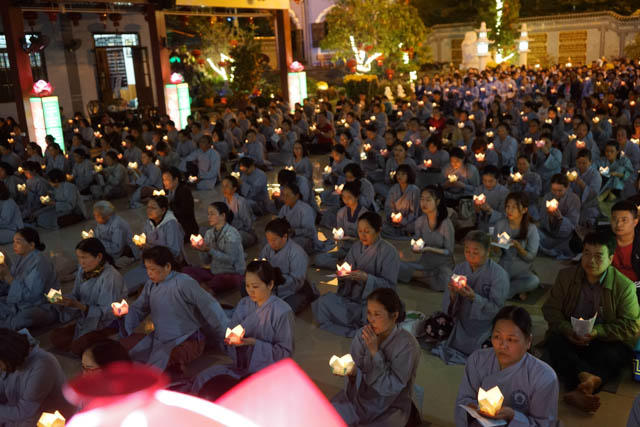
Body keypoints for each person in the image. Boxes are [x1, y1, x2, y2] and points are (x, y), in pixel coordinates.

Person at [542, 232, 640, 413]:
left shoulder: (624, 286)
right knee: (556, 344)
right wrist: (566, 329)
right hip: (570, 337)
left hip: (604, 341)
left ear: (610, 259)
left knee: (616, 355)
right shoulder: (566, 277)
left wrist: (598, 332)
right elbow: (550, 309)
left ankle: (579, 384)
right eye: (587, 253)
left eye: (598, 256)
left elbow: (632, 325)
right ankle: (590, 379)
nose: (591, 260)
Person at [190, 260, 294, 399]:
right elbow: (230, 334)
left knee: (235, 395)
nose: (250, 291)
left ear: (270, 284)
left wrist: (253, 343)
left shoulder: (282, 312)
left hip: (266, 373)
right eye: (247, 285)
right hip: (241, 367)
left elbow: (285, 353)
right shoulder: (244, 304)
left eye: (255, 286)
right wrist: (230, 341)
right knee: (202, 379)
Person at [117, 246, 227, 372]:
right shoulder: (151, 285)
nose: (149, 273)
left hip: (187, 338)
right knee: (129, 354)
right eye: (147, 269)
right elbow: (139, 308)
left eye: (153, 269)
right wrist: (124, 314)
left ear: (167, 266)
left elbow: (209, 307)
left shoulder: (184, 283)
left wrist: (222, 333)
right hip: (161, 339)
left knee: (169, 364)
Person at [455, 306, 559, 426]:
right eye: (497, 337)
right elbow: (463, 401)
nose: (502, 345)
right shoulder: (478, 360)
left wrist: (513, 416)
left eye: (511, 339)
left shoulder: (543, 376)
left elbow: (544, 423)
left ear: (528, 341)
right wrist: (472, 408)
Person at [331, 288, 420, 427]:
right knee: (329, 415)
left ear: (394, 315)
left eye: (377, 314)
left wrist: (374, 351)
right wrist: (351, 372)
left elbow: (392, 386)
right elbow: (356, 367)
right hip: (359, 396)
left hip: (390, 402)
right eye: (369, 313)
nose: (370, 319)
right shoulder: (363, 333)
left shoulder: (407, 345)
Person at [313, 212, 400, 337]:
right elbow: (346, 269)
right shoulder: (355, 247)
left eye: (367, 231)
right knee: (323, 302)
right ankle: (357, 326)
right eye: (359, 231)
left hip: (372, 305)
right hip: (351, 297)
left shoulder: (389, 252)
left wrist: (367, 279)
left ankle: (359, 326)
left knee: (373, 316)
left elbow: (390, 287)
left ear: (378, 230)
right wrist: (343, 276)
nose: (362, 235)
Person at [432, 230, 509, 365]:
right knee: (432, 324)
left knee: (494, 348)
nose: (470, 256)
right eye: (467, 251)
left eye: (476, 252)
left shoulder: (499, 275)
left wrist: (474, 298)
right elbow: (448, 308)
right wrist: (452, 294)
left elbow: (496, 309)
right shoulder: (460, 269)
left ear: (487, 251)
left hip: (484, 327)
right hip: (460, 322)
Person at [51, 238, 125, 356]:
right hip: (86, 320)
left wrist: (80, 306)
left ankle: (106, 337)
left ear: (99, 257)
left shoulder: (111, 277)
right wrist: (62, 299)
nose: (81, 262)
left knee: (78, 348)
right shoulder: (82, 271)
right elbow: (75, 294)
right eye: (79, 258)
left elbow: (108, 311)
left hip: (106, 323)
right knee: (56, 337)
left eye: (84, 257)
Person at [0, 328, 74, 426]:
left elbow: (25, 412)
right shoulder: (11, 363)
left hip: (46, 419)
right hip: (20, 413)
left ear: (9, 356)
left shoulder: (43, 364)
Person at [123, 196, 186, 294]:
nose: (149, 210)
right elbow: (145, 241)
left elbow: (174, 251)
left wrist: (151, 249)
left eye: (153, 208)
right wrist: (141, 246)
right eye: (148, 207)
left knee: (130, 286)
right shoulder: (148, 223)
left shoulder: (171, 225)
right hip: (149, 262)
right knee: (124, 280)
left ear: (163, 210)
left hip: (165, 264)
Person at [0, 228, 58, 331]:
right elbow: (11, 288)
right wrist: (3, 276)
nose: (14, 245)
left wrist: (8, 277)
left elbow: (33, 296)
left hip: (44, 305)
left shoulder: (40, 262)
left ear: (31, 245)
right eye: (14, 242)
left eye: (18, 242)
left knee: (25, 316)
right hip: (23, 303)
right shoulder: (21, 259)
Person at [398, 185, 455, 291]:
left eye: (428, 200)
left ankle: (418, 276)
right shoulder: (420, 221)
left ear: (437, 202)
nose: (424, 203)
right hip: (425, 263)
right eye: (422, 199)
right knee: (395, 265)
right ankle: (424, 276)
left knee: (445, 281)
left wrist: (429, 249)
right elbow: (417, 241)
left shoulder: (445, 223)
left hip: (442, 266)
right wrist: (415, 247)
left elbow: (449, 251)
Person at [183, 202, 245, 294]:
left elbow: (231, 260)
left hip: (231, 273)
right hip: (214, 272)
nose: (209, 217)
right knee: (185, 270)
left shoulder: (232, 234)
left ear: (223, 216)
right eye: (208, 214)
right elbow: (206, 261)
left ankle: (204, 287)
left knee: (221, 280)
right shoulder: (209, 233)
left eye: (212, 214)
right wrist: (200, 250)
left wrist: (209, 250)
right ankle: (205, 287)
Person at [259, 218, 315, 313]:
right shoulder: (268, 248)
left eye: (274, 240)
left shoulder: (297, 253)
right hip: (271, 284)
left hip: (294, 290)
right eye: (268, 239)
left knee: (281, 311)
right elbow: (261, 264)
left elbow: (297, 281)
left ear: (285, 236)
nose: (270, 243)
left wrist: (276, 283)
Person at [492, 192, 540, 300]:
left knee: (533, 281)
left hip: (522, 269)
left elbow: (530, 257)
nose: (509, 210)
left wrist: (518, 247)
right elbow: (497, 253)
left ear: (524, 210)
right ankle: (515, 291)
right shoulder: (500, 225)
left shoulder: (531, 229)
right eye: (508, 206)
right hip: (504, 266)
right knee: (488, 279)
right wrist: (496, 245)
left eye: (514, 207)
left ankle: (507, 292)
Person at [316, 181, 369, 270]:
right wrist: (338, 237)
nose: (346, 200)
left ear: (357, 197)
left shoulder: (365, 214)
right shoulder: (341, 213)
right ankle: (343, 264)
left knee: (362, 263)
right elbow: (341, 233)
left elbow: (367, 240)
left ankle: (347, 264)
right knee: (318, 259)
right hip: (345, 249)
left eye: (349, 197)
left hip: (361, 251)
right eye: (343, 197)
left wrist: (350, 238)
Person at [538, 173, 581, 259]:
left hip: (565, 237)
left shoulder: (574, 199)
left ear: (567, 187)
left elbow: (573, 223)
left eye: (560, 190)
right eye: (553, 190)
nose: (556, 193)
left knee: (577, 244)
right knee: (533, 231)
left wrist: (560, 218)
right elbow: (542, 220)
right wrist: (550, 218)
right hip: (548, 233)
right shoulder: (547, 196)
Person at [278, 181, 326, 255]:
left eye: (288, 196)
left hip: (305, 238)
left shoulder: (305, 209)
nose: (284, 198)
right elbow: (279, 221)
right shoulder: (284, 208)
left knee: (295, 243)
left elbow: (310, 231)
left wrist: (295, 231)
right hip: (289, 236)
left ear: (297, 196)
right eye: (283, 195)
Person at [382, 164, 421, 240]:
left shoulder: (414, 190)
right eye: (398, 174)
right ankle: (400, 231)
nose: (400, 176)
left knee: (415, 226)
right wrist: (393, 217)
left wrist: (403, 221)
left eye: (403, 174)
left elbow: (414, 212)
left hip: (410, 221)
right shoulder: (394, 189)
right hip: (394, 222)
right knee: (384, 226)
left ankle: (404, 231)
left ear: (408, 175)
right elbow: (389, 207)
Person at [162, 167, 199, 240]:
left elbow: (185, 212)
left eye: (167, 180)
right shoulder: (169, 190)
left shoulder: (184, 191)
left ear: (175, 180)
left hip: (186, 228)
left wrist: (169, 205)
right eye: (163, 179)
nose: (164, 182)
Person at [221, 175, 257, 248]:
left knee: (231, 239)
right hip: (230, 231)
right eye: (223, 186)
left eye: (227, 186)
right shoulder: (224, 200)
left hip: (244, 233)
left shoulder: (241, 202)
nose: (224, 189)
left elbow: (248, 224)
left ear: (234, 188)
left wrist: (234, 229)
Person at [609, 200, 640, 284]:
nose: (618, 224)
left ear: (635, 222)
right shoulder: (605, 242)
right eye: (614, 219)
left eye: (624, 220)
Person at [569, 149, 602, 227]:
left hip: (589, 205)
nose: (581, 166)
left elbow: (593, 194)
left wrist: (582, 184)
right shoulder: (572, 171)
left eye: (584, 163)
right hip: (573, 203)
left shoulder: (595, 175)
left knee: (590, 216)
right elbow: (567, 188)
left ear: (590, 162)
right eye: (579, 163)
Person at [473, 165, 509, 232]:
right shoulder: (479, 189)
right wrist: (477, 209)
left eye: (490, 181)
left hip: (497, 226)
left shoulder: (504, 192)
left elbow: (505, 215)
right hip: (482, 225)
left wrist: (490, 210)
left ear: (497, 180)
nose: (487, 184)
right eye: (484, 181)